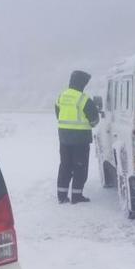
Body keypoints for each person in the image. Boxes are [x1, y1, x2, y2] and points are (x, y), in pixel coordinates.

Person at [55, 70, 99, 204]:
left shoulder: (61, 96)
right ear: (82, 83)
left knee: (65, 165)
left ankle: (62, 196)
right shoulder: (84, 99)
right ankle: (77, 196)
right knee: (80, 167)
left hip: (64, 137)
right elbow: (94, 120)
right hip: (80, 139)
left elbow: (58, 114)